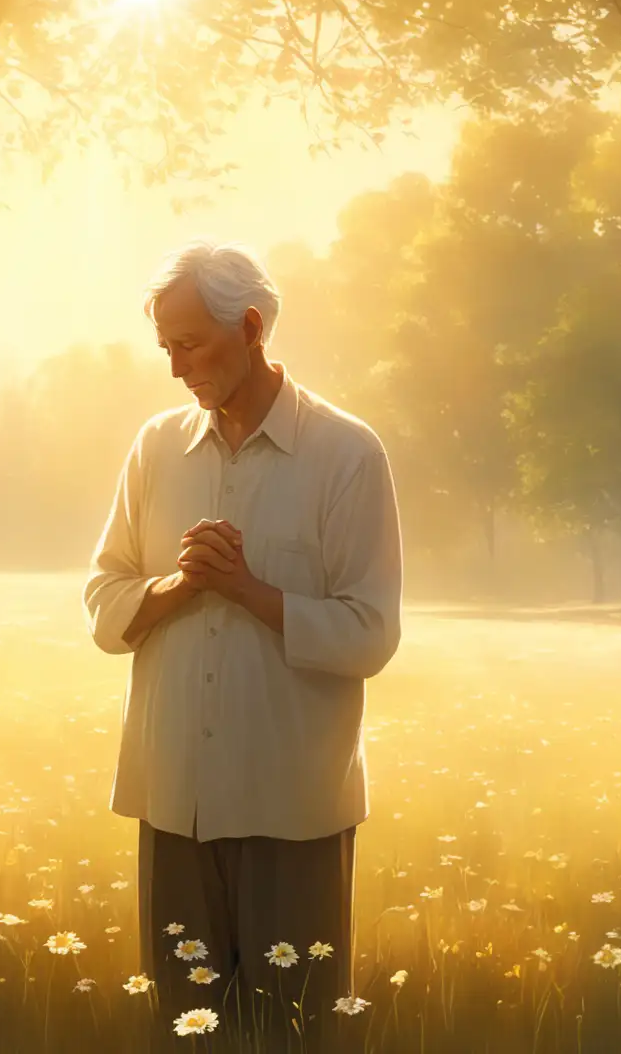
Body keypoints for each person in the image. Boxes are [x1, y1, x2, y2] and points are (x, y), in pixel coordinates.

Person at [83, 238, 404, 1048]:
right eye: (165, 347)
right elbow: (103, 600)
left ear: (253, 327)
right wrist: (177, 586)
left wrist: (249, 591)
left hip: (292, 812)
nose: (175, 368)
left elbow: (371, 632)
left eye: (188, 343)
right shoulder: (156, 448)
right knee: (183, 1032)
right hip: (172, 803)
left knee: (297, 1034)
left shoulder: (346, 455)